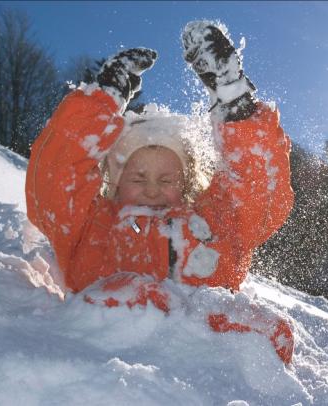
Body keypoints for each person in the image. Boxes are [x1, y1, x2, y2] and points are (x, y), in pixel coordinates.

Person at [25, 21, 295, 363]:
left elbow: (259, 194)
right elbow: (54, 178)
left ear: (185, 184)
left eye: (167, 180)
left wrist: (234, 103)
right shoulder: (89, 225)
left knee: (268, 325)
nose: (152, 189)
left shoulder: (214, 223)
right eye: (138, 178)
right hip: (104, 355)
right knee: (136, 293)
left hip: (207, 358)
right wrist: (102, 100)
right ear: (115, 182)